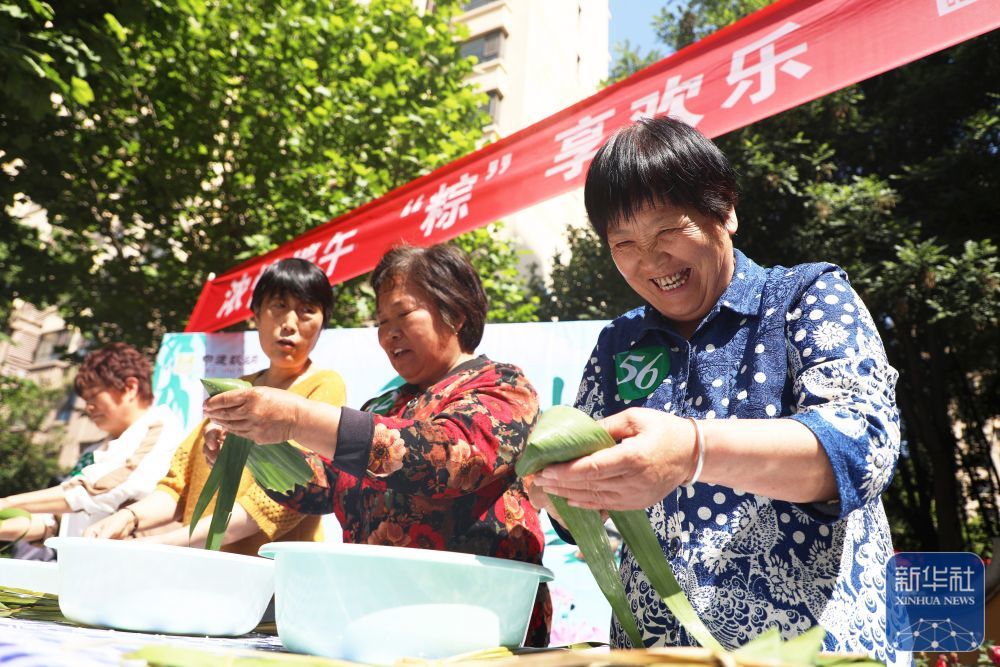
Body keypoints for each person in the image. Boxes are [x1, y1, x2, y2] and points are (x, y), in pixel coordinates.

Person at [525, 117, 903, 664]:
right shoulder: (619, 342)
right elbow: (588, 513)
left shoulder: (804, 298)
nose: (650, 263)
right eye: (624, 244)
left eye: (667, 233)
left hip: (811, 651)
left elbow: (861, 448)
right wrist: (565, 495)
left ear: (724, 210)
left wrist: (693, 452)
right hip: (652, 654)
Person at [202, 244, 552, 646]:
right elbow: (323, 486)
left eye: (403, 315)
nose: (389, 333)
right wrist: (253, 450)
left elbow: (446, 460)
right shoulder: (385, 405)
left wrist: (298, 417)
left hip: (476, 630)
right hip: (376, 626)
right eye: (382, 321)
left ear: (455, 314)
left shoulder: (502, 386)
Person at [85, 258, 346, 555]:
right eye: (278, 306)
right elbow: (177, 486)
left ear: (323, 322)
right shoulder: (233, 389)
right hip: (204, 571)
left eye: (307, 311)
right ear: (256, 315)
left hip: (270, 582)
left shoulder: (325, 386)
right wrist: (125, 518)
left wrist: (160, 544)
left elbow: (286, 498)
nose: (289, 323)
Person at [0, 343, 183, 546]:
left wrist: (7, 503)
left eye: (94, 396)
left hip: (130, 568)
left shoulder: (160, 429)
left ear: (130, 387)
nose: (88, 407)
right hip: (82, 566)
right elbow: (57, 519)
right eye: (85, 399)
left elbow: (98, 489)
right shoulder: (94, 451)